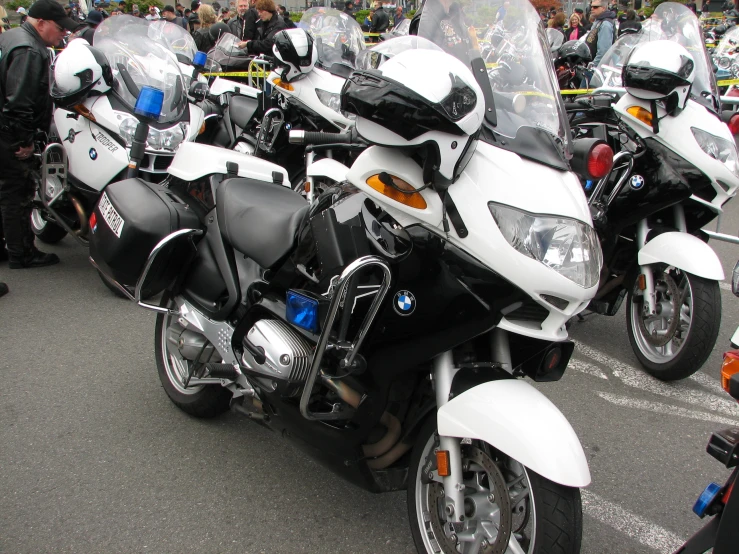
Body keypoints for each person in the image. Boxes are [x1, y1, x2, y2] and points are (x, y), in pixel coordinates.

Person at [0, 0, 79, 270]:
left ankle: (8, 245)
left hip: (4, 126)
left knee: (5, 191)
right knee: (17, 193)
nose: (63, 34)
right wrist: (23, 141)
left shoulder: (10, 36)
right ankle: (21, 252)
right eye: (59, 29)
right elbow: (19, 101)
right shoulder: (29, 50)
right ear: (41, 23)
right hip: (9, 131)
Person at [585, 0, 616, 66]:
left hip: (596, 68)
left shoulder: (605, 24)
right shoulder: (598, 20)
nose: (592, 8)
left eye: (595, 7)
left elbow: (603, 51)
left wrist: (593, 65)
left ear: (603, 8)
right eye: (591, 6)